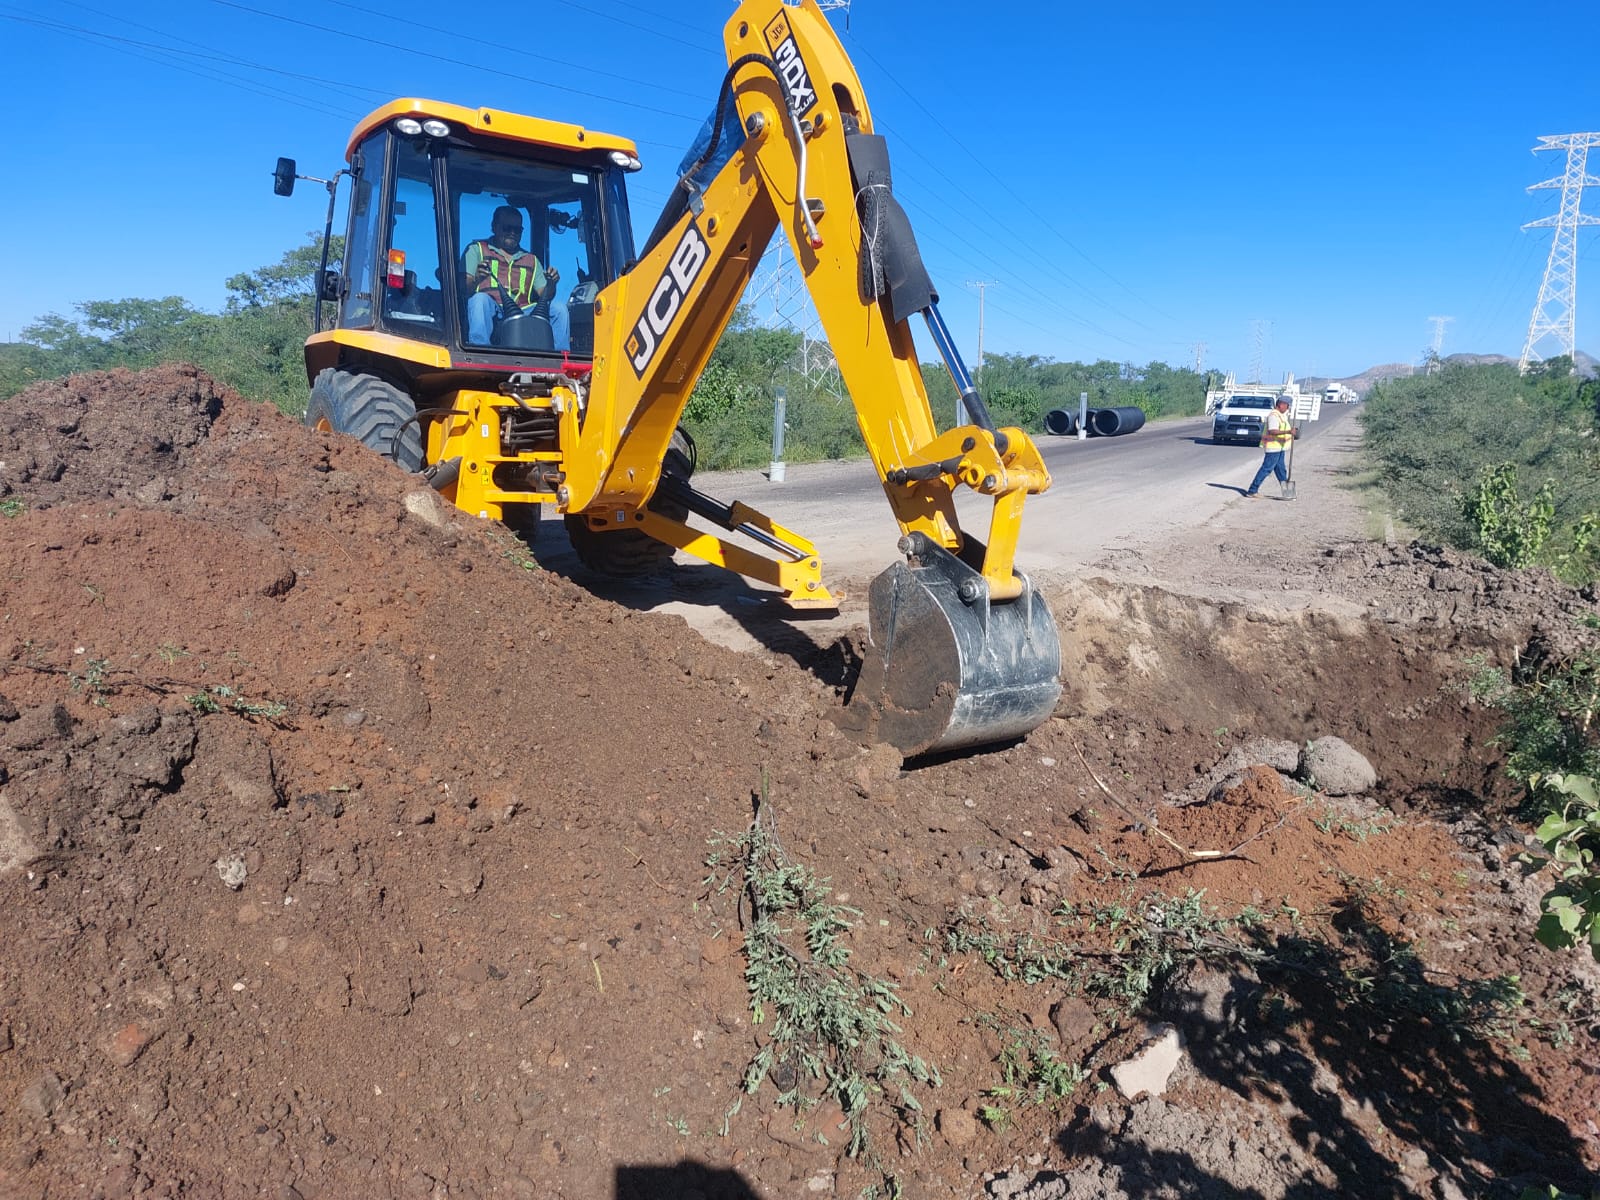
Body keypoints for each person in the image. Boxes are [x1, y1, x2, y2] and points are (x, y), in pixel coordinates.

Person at [462, 206, 569, 349]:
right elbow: (462, 287)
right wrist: (477, 279)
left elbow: (546, 295)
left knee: (559, 309)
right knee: (479, 300)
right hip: (493, 310)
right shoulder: (477, 249)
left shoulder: (531, 259)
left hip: (523, 311)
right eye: (507, 228)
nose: (512, 233)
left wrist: (552, 283)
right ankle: (480, 350)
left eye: (517, 230)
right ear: (494, 227)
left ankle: (562, 358)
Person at [1243, 396, 1299, 498]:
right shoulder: (1273, 416)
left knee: (1281, 470)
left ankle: (1288, 494)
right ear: (1281, 404)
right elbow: (1272, 431)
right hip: (1273, 447)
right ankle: (1252, 490)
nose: (1288, 408)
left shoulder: (1281, 415)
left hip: (1280, 447)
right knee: (1266, 469)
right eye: (1287, 406)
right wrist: (1288, 431)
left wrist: (1291, 431)